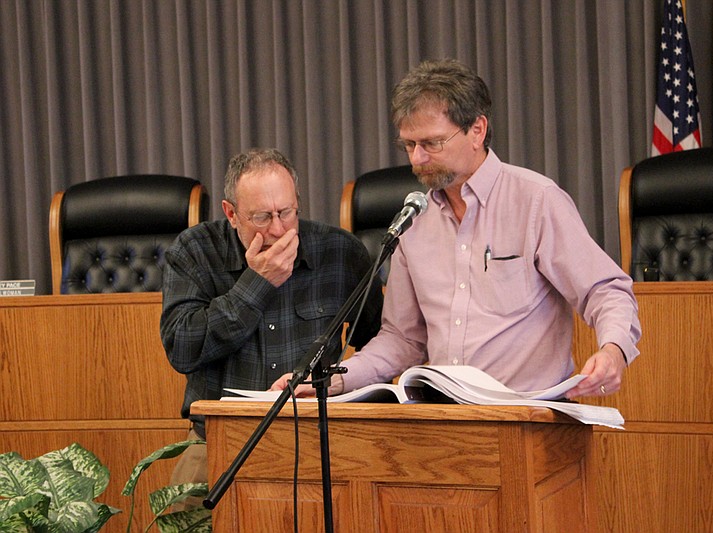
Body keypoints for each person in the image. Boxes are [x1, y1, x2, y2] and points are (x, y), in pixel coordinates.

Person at [272, 58, 640, 400]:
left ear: (477, 130)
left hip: (527, 417)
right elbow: (402, 339)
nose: (417, 158)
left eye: (432, 143)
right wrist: (330, 378)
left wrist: (613, 351)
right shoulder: (413, 220)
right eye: (409, 145)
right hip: (445, 419)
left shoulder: (536, 201)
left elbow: (606, 291)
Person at [160, 148, 383, 489]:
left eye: (287, 212)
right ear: (231, 214)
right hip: (218, 441)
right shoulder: (195, 251)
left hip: (318, 441)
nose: (278, 229)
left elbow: (381, 348)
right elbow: (182, 349)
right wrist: (256, 284)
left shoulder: (340, 253)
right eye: (262, 217)